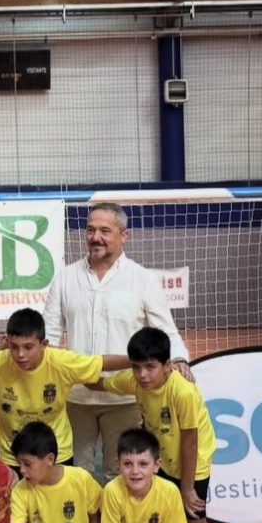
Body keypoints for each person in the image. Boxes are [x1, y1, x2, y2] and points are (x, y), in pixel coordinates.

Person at [42, 200, 192, 476]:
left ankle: (115, 522)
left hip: (124, 397)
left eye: (104, 231)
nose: (95, 237)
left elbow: (166, 329)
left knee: (120, 475)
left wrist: (180, 359)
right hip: (75, 396)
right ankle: (87, 522)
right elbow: (49, 335)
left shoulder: (143, 279)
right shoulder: (65, 278)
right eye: (89, 230)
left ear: (124, 235)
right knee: (76, 475)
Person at [96, 326, 217, 523]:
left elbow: (190, 439)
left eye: (150, 367)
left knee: (194, 517)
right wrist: (64, 372)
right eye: (137, 367)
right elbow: (98, 383)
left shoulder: (183, 391)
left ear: (167, 365)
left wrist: (187, 488)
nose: (143, 375)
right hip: (158, 461)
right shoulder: (135, 381)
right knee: (157, 517)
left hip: (191, 462)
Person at [0, 307, 129, 468]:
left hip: (55, 454)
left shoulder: (62, 362)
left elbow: (103, 362)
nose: (20, 354)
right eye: (14, 346)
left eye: (28, 347)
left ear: (44, 344)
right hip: (12, 457)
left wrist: (143, 360)